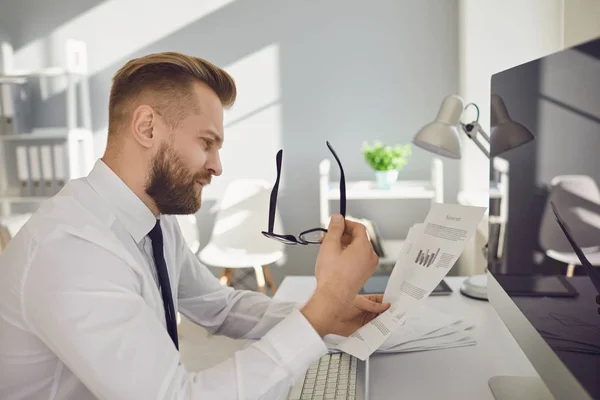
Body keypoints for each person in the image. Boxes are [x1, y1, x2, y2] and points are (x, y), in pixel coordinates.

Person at [0, 52, 388, 400]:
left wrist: (328, 313)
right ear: (147, 128)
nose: (217, 166)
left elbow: (219, 306)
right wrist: (322, 308)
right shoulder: (72, 251)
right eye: (207, 143)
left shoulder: (151, 220)